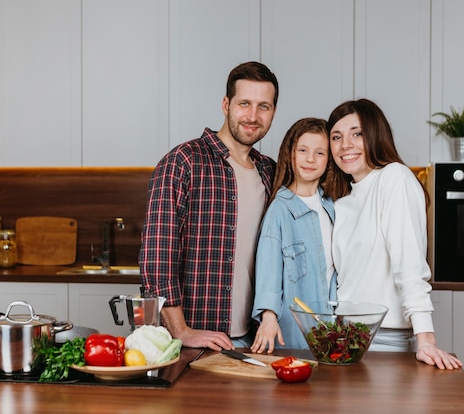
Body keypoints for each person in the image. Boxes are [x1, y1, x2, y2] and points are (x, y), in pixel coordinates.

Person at [139, 61, 279, 351]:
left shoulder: (270, 171)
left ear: (273, 112)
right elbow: (157, 255)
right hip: (194, 341)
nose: (253, 116)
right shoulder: (184, 161)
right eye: (244, 103)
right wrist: (182, 331)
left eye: (263, 106)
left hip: (252, 341)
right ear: (226, 105)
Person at [325, 98, 462, 370]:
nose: (345, 145)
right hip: (344, 338)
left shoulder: (394, 178)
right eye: (336, 137)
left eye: (357, 133)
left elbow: (409, 264)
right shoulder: (341, 202)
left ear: (376, 135)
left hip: (386, 339)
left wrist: (426, 340)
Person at [250, 118, 338, 353]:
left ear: (329, 159)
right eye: (303, 150)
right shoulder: (279, 210)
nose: (310, 159)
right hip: (293, 336)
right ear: (290, 154)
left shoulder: (333, 206)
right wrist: (268, 318)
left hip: (332, 332)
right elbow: (268, 272)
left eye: (320, 153)